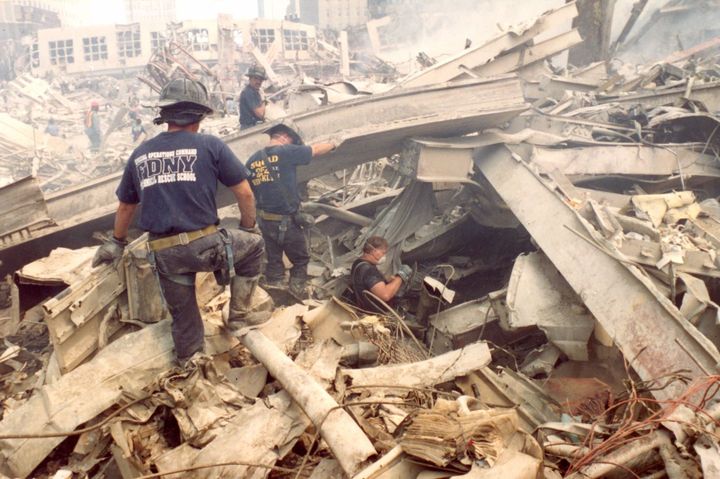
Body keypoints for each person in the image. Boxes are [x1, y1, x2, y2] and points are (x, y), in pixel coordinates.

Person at [91, 78, 269, 365]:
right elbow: (245, 194)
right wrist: (248, 228)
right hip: (207, 245)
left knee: (184, 320)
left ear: (165, 116)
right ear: (200, 115)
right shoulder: (210, 145)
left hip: (166, 254)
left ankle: (190, 364)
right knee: (254, 247)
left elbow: (126, 206)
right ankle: (237, 319)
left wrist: (116, 242)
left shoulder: (141, 153)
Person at [245, 123, 335, 298]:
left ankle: (275, 290)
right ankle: (295, 292)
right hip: (285, 222)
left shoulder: (252, 160)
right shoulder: (285, 152)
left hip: (264, 221)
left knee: (274, 260)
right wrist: (334, 143)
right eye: (292, 142)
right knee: (301, 259)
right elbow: (315, 150)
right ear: (285, 137)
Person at [350, 236, 412, 312]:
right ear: (373, 251)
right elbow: (385, 295)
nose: (384, 256)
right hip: (374, 312)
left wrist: (387, 282)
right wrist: (401, 276)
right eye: (383, 253)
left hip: (364, 306)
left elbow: (368, 284)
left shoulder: (358, 262)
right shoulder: (369, 270)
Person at [238, 65, 267, 129]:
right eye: (256, 78)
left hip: (254, 127)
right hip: (249, 129)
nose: (258, 82)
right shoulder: (249, 92)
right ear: (250, 78)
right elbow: (261, 114)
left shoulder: (255, 92)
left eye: (261, 79)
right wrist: (264, 100)